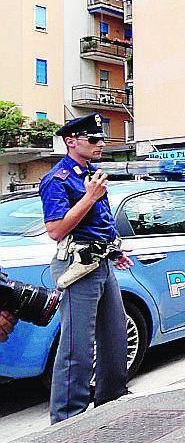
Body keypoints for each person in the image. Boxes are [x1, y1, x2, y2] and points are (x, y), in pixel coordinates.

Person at [39, 113, 132, 424]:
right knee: (77, 346)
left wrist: (115, 250)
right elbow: (55, 229)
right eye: (93, 139)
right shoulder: (58, 179)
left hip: (102, 263)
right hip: (77, 267)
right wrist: (90, 198)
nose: (101, 143)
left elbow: (100, 224)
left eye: (101, 138)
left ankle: (112, 400)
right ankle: (67, 418)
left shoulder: (92, 173)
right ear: (71, 141)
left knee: (115, 336)